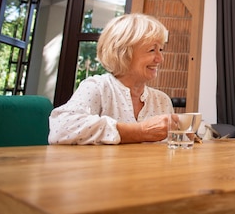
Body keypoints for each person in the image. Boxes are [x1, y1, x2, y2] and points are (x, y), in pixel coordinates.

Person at [49, 13, 174, 145]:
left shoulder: (162, 100)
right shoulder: (97, 88)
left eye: (161, 49)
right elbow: (60, 130)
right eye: (152, 50)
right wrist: (140, 131)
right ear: (124, 53)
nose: (160, 59)